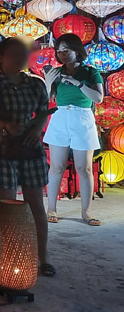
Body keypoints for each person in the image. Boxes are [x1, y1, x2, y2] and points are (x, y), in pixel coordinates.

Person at [0, 37, 54, 276]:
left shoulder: (36, 84)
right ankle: (6, 258)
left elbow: (44, 111)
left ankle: (43, 257)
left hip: (31, 146)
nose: (21, 58)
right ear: (1, 58)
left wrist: (34, 131)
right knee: (7, 205)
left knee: (35, 205)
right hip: (3, 147)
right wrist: (6, 125)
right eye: (15, 54)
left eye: (23, 53)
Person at [43, 33, 104, 227]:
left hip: (82, 117)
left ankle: (86, 212)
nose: (61, 55)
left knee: (84, 168)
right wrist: (47, 82)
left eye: (66, 51)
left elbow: (98, 98)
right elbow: (47, 99)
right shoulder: (56, 72)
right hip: (60, 117)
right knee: (56, 166)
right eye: (59, 51)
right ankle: (51, 209)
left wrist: (78, 84)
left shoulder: (90, 71)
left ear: (77, 51)